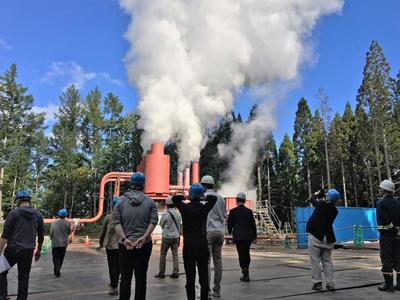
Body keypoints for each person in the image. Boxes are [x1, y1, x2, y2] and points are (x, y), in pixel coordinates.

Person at [112, 172, 158, 300]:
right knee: (141, 278)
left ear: (131, 184)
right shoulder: (150, 202)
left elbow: (116, 222)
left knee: (125, 278)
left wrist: (124, 239)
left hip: (125, 246)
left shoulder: (120, 201)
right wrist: (144, 237)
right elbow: (154, 221)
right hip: (143, 246)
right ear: (143, 185)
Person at [172, 184, 217, 300]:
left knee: (190, 280)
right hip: (202, 246)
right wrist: (202, 198)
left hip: (189, 247)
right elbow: (213, 198)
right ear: (201, 195)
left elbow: (174, 199)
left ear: (191, 195)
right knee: (203, 279)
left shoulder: (185, 208)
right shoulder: (204, 208)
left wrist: (186, 197)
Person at [0, 190, 44, 300]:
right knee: (24, 278)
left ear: (18, 201)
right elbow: (41, 235)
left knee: (1, 271)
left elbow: (5, 236)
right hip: (28, 251)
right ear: (29, 201)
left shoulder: (13, 213)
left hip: (13, 250)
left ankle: (2, 296)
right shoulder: (38, 215)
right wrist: (38, 251)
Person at [306, 189, 339, 291]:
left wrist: (318, 192)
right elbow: (325, 203)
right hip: (328, 238)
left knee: (315, 261)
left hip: (316, 236)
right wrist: (324, 196)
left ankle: (317, 283)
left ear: (328, 197)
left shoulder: (321, 204)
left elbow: (311, 199)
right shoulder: (335, 211)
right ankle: (330, 283)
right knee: (327, 261)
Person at [201, 175, 226, 298]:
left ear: (204, 185)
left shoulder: (204, 198)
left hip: (208, 232)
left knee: (206, 262)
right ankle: (217, 291)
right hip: (220, 232)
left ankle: (207, 292)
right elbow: (224, 216)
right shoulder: (221, 199)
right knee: (218, 262)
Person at [376, 179, 400, 292]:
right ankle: (399, 285)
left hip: (386, 236)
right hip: (398, 237)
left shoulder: (380, 203)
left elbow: (384, 219)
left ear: (384, 190)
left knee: (387, 260)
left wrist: (392, 228)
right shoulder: (398, 202)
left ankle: (389, 285)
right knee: (398, 259)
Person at [227, 192, 257, 282]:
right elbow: (253, 225)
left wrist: (229, 231)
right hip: (248, 236)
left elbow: (229, 224)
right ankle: (246, 271)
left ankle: (245, 272)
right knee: (246, 253)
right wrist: (254, 235)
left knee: (241, 254)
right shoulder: (249, 211)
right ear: (244, 200)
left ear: (237, 200)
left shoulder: (233, 211)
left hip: (238, 236)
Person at [155, 196, 181, 279]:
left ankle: (162, 273)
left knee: (163, 255)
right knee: (175, 255)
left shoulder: (166, 214)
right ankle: (175, 272)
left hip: (166, 237)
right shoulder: (178, 213)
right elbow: (180, 225)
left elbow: (161, 224)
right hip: (176, 236)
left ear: (167, 205)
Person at [98, 197, 120, 296]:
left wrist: (101, 242)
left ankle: (114, 287)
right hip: (122, 245)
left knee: (112, 266)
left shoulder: (108, 217)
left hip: (110, 245)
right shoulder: (124, 216)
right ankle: (115, 282)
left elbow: (103, 231)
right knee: (119, 265)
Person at [50, 208, 71, 278]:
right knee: (61, 257)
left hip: (55, 243)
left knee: (55, 257)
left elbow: (51, 232)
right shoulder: (68, 223)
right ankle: (58, 269)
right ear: (65, 215)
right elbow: (69, 232)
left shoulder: (54, 222)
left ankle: (56, 269)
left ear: (59, 215)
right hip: (64, 243)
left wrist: (51, 238)